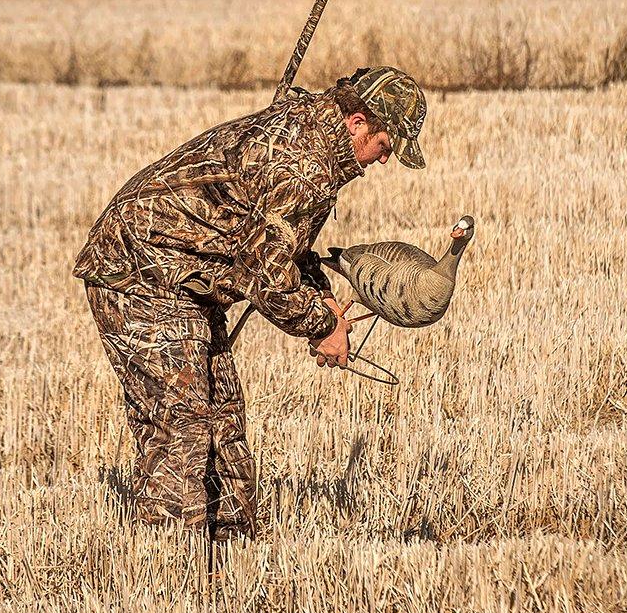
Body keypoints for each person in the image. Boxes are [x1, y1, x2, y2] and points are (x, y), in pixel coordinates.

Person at [73, 66, 427, 539]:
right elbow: (268, 276)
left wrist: (321, 297)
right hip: (142, 268)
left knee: (222, 419)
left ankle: (229, 558)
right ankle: (170, 576)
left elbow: (285, 248)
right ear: (358, 122)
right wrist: (322, 325)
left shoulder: (313, 136)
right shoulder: (304, 166)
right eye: (386, 146)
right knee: (182, 426)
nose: (384, 161)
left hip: (187, 275)